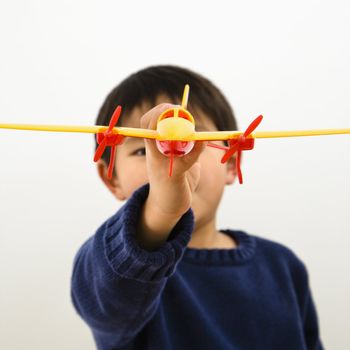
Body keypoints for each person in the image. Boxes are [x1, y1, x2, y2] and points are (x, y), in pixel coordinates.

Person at [71, 65, 324, 350]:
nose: (173, 154)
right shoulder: (113, 272)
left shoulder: (283, 266)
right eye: (143, 149)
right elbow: (107, 299)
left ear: (231, 162)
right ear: (111, 178)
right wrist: (162, 208)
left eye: (195, 141)